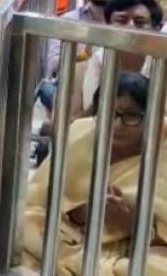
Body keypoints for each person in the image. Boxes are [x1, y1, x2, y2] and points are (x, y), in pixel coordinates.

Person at [23, 72, 167, 275]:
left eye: (131, 116)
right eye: (109, 114)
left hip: (138, 252)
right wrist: (82, 212)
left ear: (153, 118)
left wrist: (133, 225)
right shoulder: (80, 131)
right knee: (22, 224)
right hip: (73, 238)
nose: (117, 125)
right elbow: (37, 197)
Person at [37, 0, 125, 112]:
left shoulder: (124, 24)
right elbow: (52, 64)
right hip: (69, 84)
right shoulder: (69, 20)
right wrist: (84, 57)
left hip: (110, 87)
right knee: (47, 90)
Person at [82, 0, 164, 113]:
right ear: (107, 27)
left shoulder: (163, 63)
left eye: (139, 22)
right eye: (121, 20)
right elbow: (88, 113)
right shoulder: (98, 61)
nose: (130, 27)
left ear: (157, 29)